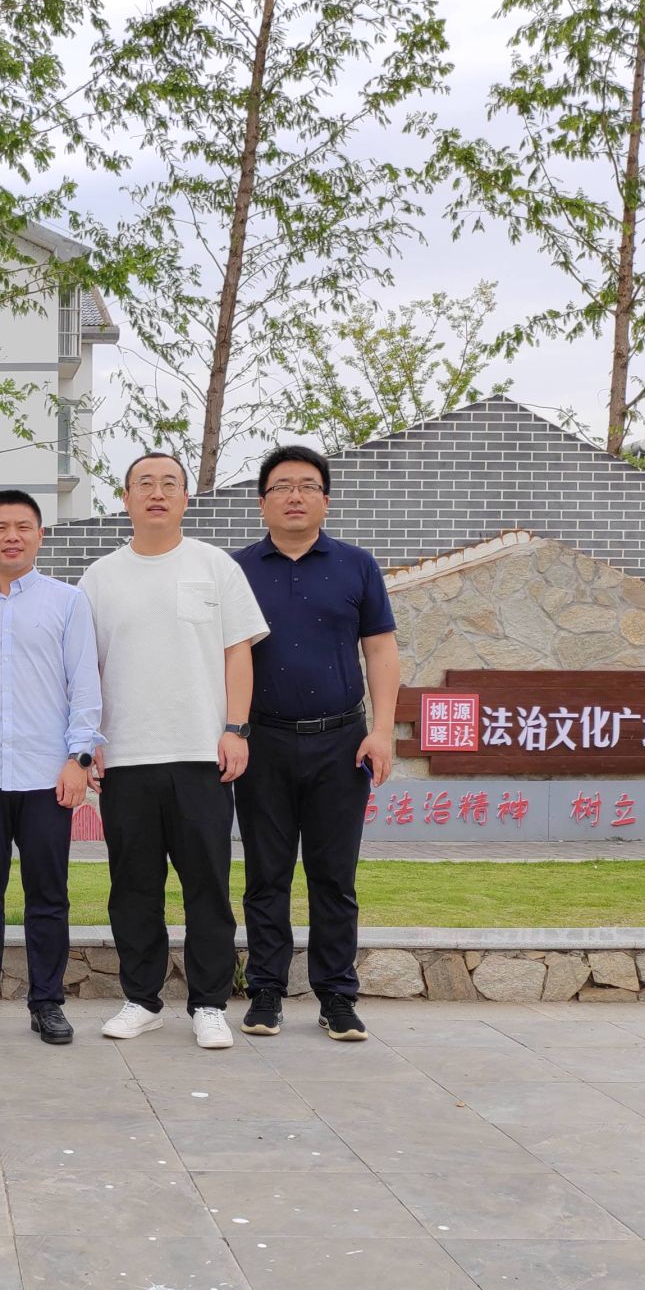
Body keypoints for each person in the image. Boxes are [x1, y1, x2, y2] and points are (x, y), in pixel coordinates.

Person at [79, 451, 267, 1050]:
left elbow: (239, 653)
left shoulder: (215, 566)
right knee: (133, 886)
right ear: (126, 498)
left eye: (169, 484)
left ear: (186, 498)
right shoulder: (99, 577)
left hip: (200, 756)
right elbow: (84, 670)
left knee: (207, 884)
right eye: (144, 483)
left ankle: (209, 1004)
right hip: (125, 757)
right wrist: (88, 743)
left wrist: (236, 728)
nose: (156, 493)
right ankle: (141, 1000)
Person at [232, 444, 399, 1043]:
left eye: (307, 486)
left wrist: (382, 730)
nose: (295, 496)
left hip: (341, 742)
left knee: (334, 876)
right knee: (266, 874)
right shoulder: (236, 571)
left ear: (326, 500)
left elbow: (380, 649)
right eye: (281, 487)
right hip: (262, 742)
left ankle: (337, 996)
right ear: (262, 503)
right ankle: (266, 991)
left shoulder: (356, 565)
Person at [0, 489, 100, 1046]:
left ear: (40, 536)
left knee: (48, 897)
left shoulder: (68, 602)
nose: (12, 536)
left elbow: (85, 686)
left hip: (46, 775)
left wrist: (79, 759)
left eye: (23, 526)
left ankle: (47, 1003)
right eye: (0, 527)